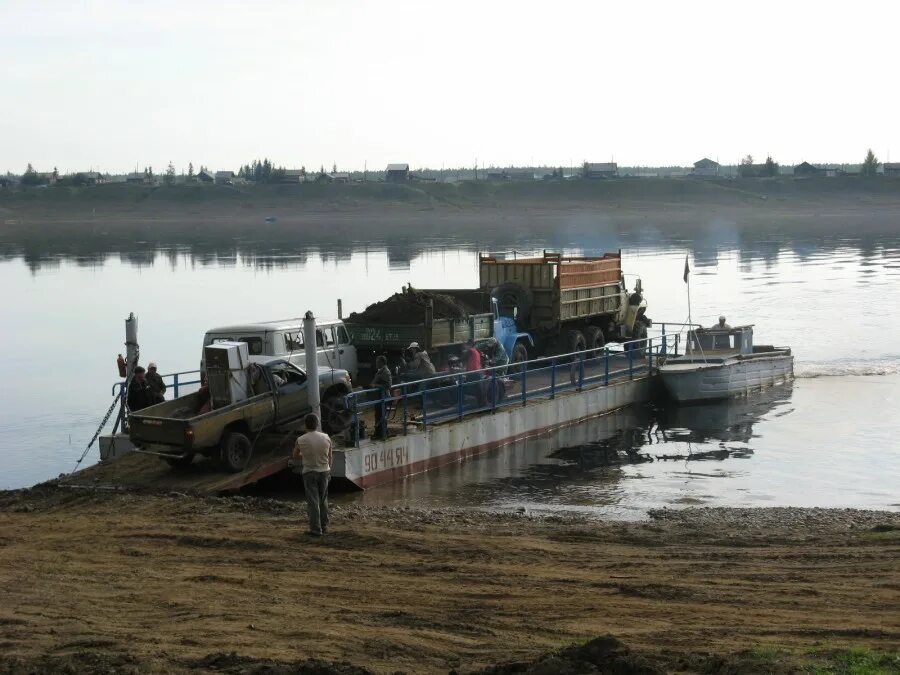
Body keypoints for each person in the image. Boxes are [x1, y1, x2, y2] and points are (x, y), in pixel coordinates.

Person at [292, 413, 333, 537]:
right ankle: (324, 525)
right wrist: (329, 468)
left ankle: (315, 530)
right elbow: (330, 456)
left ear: (305, 425)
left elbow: (295, 456)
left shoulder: (301, 439)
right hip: (324, 471)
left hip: (309, 472)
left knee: (313, 501)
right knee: (323, 500)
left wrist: (305, 455)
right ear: (317, 424)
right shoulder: (326, 437)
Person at [370, 355, 392, 440]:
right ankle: (379, 432)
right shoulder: (381, 371)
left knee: (381, 415)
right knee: (378, 415)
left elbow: (388, 385)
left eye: (377, 362)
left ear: (382, 363)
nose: (376, 364)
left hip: (384, 396)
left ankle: (382, 433)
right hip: (379, 397)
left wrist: (376, 385)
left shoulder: (385, 372)